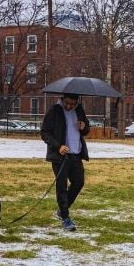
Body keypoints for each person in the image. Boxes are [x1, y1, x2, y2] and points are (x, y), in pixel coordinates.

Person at [40, 93, 90, 231]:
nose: (69, 106)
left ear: (77, 102)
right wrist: (58, 146)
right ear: (62, 99)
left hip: (76, 154)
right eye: (67, 103)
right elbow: (44, 133)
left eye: (72, 104)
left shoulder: (79, 110)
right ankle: (66, 218)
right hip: (60, 156)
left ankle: (62, 210)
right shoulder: (54, 111)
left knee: (78, 182)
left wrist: (83, 127)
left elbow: (86, 130)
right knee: (61, 186)